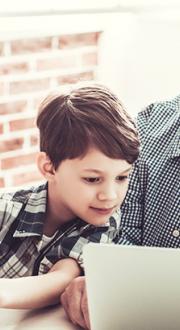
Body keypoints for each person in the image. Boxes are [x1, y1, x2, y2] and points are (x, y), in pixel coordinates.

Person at [0, 84, 139, 309]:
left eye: (122, 178)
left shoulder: (103, 225)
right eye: (93, 179)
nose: (110, 196)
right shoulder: (7, 209)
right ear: (49, 168)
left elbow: (61, 280)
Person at [61, 94, 180, 329]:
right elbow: (117, 237)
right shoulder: (149, 127)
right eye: (92, 178)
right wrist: (96, 281)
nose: (109, 194)